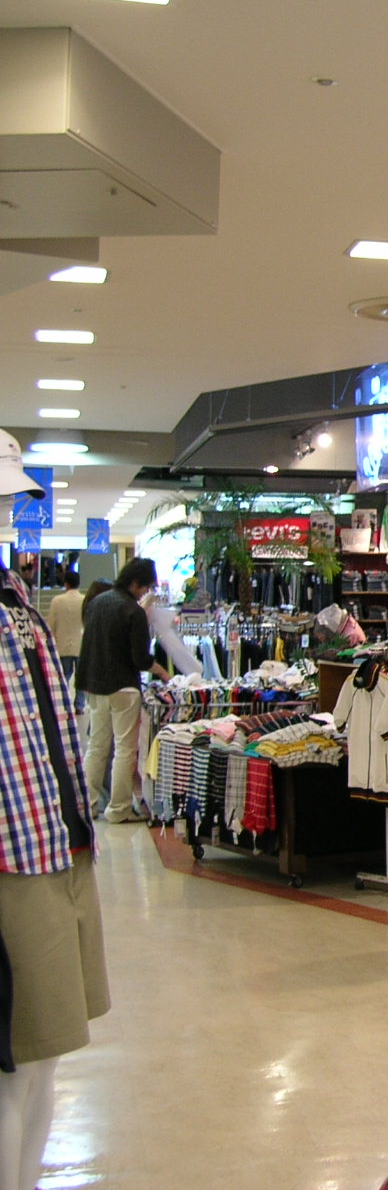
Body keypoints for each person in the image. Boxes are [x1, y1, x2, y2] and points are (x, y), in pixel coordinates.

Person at [0, 434, 110, 1190]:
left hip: (55, 842)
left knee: (42, 1058)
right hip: (14, 858)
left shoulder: (16, 598)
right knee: (15, 1061)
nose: (8, 507)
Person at [77, 557, 170, 822]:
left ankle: (88, 805)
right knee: (125, 750)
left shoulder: (96, 603)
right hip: (123, 688)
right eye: (146, 587)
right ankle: (119, 809)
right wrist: (162, 672)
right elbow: (140, 658)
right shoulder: (133, 611)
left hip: (95, 684)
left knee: (96, 747)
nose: (146, 593)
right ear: (136, 582)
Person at [44, 569, 86, 714]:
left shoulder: (57, 601)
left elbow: (51, 624)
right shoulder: (84, 600)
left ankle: (63, 704)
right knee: (81, 678)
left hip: (62, 644)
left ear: (66, 583)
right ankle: (79, 705)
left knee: (63, 676)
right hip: (81, 644)